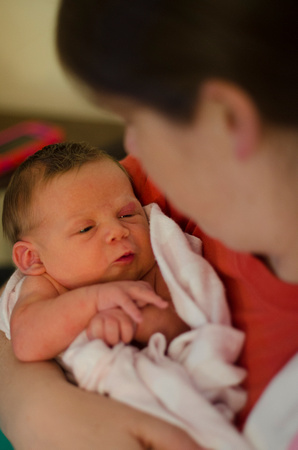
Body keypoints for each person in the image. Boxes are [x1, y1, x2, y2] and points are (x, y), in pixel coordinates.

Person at [0, 0, 297, 449]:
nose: (130, 144)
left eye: (134, 120)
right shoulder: (150, 187)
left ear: (227, 119)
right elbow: (21, 320)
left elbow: (176, 325)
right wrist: (33, 406)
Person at [0, 142, 247, 449]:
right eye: (86, 228)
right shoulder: (46, 282)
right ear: (33, 259)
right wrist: (95, 302)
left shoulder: (155, 266)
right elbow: (27, 340)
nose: (117, 231)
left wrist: (143, 321)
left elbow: (185, 330)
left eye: (128, 214)